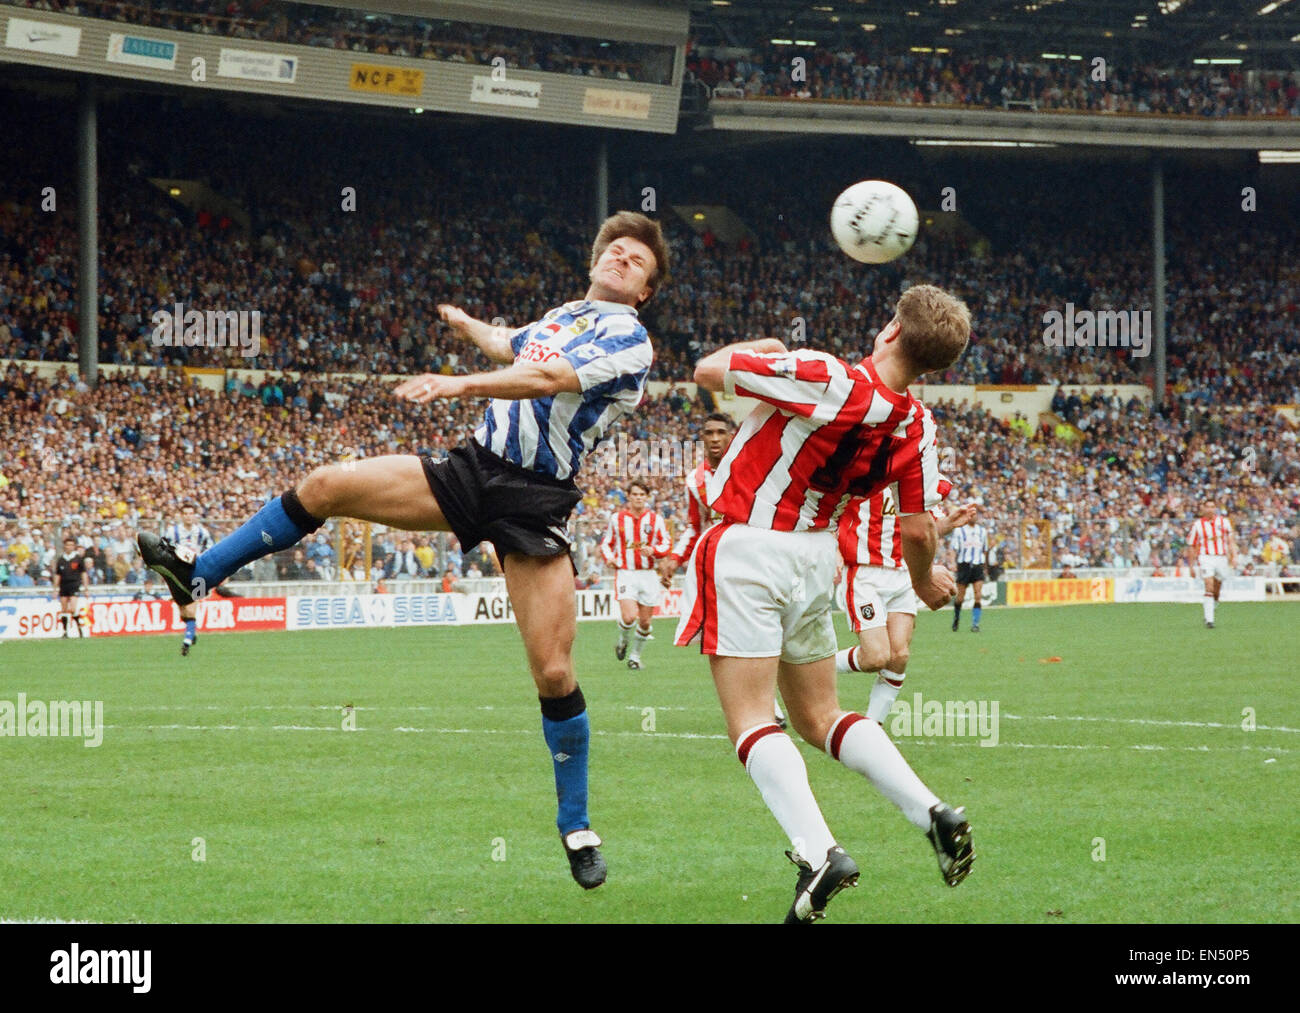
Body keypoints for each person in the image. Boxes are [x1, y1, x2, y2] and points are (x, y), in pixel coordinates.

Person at [139, 210, 670, 890]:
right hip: (471, 469)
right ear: (595, 258)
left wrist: (458, 383)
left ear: (646, 290)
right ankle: (197, 573)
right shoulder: (561, 314)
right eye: (616, 249)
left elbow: (542, 379)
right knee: (325, 484)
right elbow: (512, 345)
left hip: (533, 498)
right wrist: (465, 324)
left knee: (554, 673)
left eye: (637, 262)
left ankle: (577, 824)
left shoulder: (629, 338)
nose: (622, 258)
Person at [676, 283, 971, 924]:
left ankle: (819, 853)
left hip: (750, 547)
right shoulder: (918, 424)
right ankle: (932, 812)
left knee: (754, 719)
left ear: (890, 332)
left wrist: (765, 348)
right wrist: (922, 584)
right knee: (821, 716)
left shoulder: (826, 375)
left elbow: (706, 370)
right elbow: (919, 529)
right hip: (817, 557)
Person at [832, 487, 978, 886]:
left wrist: (948, 524)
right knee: (876, 656)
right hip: (863, 570)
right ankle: (816, 669)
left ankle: (871, 730)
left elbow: (917, 527)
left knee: (899, 656)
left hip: (901, 574)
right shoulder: (862, 462)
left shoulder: (920, 473)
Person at [661, 411, 787, 728]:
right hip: (719, 566)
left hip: (758, 558)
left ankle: (768, 703)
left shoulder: (753, 466)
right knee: (725, 638)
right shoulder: (695, 481)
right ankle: (764, 707)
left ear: (732, 435)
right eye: (708, 432)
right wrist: (674, 559)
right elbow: (693, 526)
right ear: (701, 437)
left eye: (720, 432)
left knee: (767, 631)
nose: (714, 438)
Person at [600, 480, 671, 670]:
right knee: (630, 617)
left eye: (642, 495)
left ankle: (635, 658)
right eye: (635, 494)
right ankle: (623, 641)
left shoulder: (656, 520)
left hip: (648, 575)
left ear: (647, 497)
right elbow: (606, 543)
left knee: (646, 622)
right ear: (629, 497)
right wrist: (609, 558)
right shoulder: (617, 519)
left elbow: (666, 544)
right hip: (626, 573)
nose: (639, 498)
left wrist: (654, 550)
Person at [165, 503, 214, 656]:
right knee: (183, 611)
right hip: (178, 573)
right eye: (185, 513)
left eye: (191, 513)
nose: (188, 516)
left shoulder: (202, 532)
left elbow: (210, 550)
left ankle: (186, 641)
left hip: (197, 572)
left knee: (193, 606)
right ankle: (192, 630)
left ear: (194, 515)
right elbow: (164, 549)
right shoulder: (172, 532)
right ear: (181, 515)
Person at [1186, 497, 1237, 628]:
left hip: (1221, 557)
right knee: (1208, 585)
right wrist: (1191, 566)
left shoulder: (1224, 522)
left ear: (1215, 508)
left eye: (1212, 506)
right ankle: (1209, 620)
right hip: (1205, 557)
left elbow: (1230, 541)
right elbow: (1191, 545)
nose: (1209, 509)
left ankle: (1212, 605)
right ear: (1203, 508)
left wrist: (1234, 556)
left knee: (1217, 588)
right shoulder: (1198, 525)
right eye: (1207, 506)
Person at [949, 504, 989, 632]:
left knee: (978, 595)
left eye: (976, 515)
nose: (975, 517)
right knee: (960, 596)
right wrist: (953, 563)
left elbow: (985, 550)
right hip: (964, 565)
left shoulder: (982, 532)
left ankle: (975, 624)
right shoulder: (959, 531)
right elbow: (953, 549)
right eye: (972, 515)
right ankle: (956, 619)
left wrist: (985, 566)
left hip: (977, 566)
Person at [55, 536, 89, 638]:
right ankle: (65, 632)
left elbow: (83, 573)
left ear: (74, 546)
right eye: (67, 545)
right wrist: (55, 588)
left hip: (74, 585)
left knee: (73, 609)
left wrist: (86, 588)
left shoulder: (78, 558)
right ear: (64, 546)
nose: (69, 547)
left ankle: (79, 628)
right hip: (63, 586)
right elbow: (57, 575)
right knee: (64, 609)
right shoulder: (61, 559)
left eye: (71, 545)